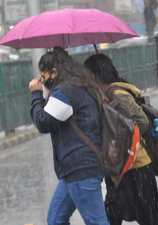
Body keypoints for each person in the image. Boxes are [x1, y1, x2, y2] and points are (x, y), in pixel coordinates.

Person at [29, 47, 110, 225]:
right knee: (56, 218)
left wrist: (36, 94)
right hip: (75, 168)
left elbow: (43, 122)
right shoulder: (80, 85)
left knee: (97, 222)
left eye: (43, 78)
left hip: (81, 166)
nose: (43, 83)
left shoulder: (65, 91)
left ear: (54, 72)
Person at [84, 54, 158, 225]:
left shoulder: (118, 95)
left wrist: (121, 141)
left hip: (137, 167)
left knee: (149, 218)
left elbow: (142, 122)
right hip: (119, 168)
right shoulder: (105, 95)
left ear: (95, 75)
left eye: (88, 75)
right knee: (112, 215)